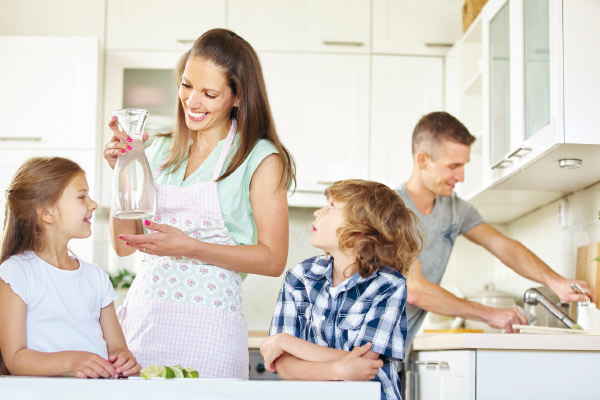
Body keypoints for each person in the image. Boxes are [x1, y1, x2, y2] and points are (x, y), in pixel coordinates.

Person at [102, 28, 295, 378]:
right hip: (144, 325)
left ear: (237, 96)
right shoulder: (158, 150)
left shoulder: (260, 158)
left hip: (211, 329)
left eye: (209, 93)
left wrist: (190, 247)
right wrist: (124, 172)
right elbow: (123, 245)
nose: (191, 102)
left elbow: (273, 259)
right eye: (187, 85)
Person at [400, 111, 596, 346]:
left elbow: (503, 246)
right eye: (453, 166)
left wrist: (556, 282)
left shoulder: (454, 210)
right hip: (366, 348)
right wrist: (489, 314)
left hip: (397, 347)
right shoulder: (391, 209)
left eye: (463, 166)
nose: (461, 176)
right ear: (422, 160)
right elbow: (415, 289)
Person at [262, 180, 423, 400]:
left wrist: (285, 342)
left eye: (331, 207)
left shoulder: (388, 285)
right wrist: (338, 369)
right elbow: (285, 367)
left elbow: (365, 364)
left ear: (361, 230)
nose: (318, 212)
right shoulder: (300, 278)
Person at [0, 157, 140, 378]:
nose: (93, 204)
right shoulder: (16, 273)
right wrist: (72, 361)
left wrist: (123, 357)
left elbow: (117, 348)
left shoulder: (95, 277)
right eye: (81, 197)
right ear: (47, 213)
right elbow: (15, 358)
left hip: (95, 391)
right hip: (43, 392)